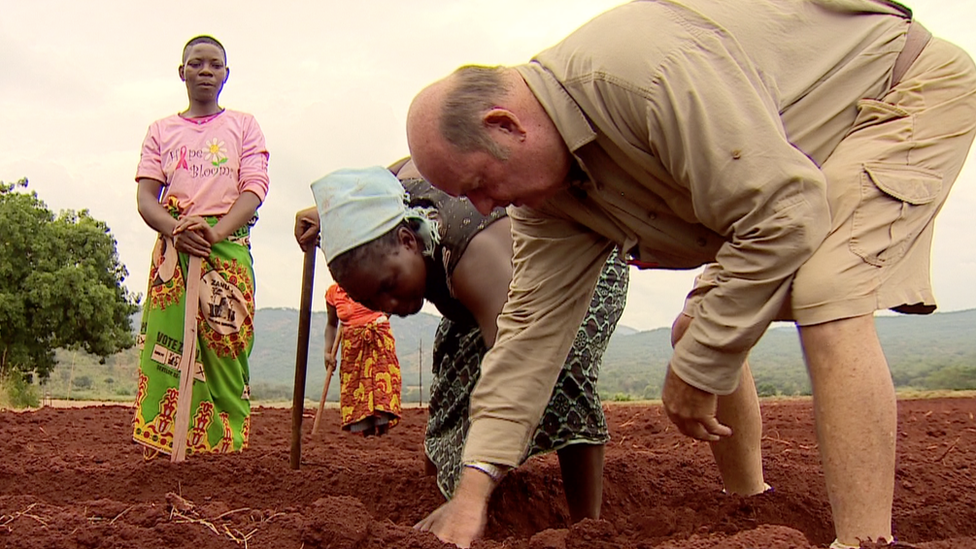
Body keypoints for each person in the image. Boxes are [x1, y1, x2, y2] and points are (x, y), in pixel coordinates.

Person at [404, 1, 976, 547]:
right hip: (798, 152)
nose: (482, 210)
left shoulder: (644, 76)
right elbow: (527, 337)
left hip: (898, 93)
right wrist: (473, 491)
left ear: (506, 125)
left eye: (478, 183)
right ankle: (748, 502)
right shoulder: (550, 201)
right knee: (697, 326)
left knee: (828, 291)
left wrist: (701, 365)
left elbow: (786, 214)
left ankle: (863, 539)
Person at [294, 160, 628, 524]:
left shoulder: (474, 262)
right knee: (453, 376)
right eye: (372, 301)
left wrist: (471, 498)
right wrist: (330, 213)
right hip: (492, 286)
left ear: (408, 240)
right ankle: (434, 486)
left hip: (575, 259)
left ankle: (588, 526)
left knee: (562, 373)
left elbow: (518, 372)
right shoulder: (404, 187)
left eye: (388, 286)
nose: (387, 307)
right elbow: (385, 174)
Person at [132, 35, 270, 457]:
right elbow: (145, 199)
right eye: (196, 63)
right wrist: (178, 230)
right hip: (175, 248)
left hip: (225, 249)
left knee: (229, 341)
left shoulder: (244, 126)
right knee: (166, 346)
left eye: (214, 65)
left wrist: (214, 233)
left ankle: (227, 450)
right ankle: (167, 446)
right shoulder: (161, 131)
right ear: (182, 72)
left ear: (226, 75)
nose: (205, 71)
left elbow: (254, 189)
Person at [324, 282, 402, 435]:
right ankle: (361, 434)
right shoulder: (334, 293)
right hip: (352, 349)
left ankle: (382, 433)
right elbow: (332, 325)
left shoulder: (373, 280)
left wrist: (381, 319)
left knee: (381, 390)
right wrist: (327, 352)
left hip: (377, 342)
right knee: (356, 392)